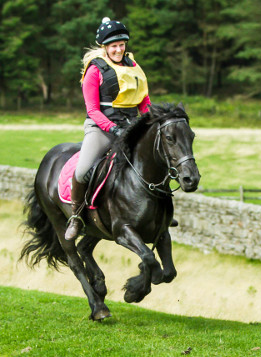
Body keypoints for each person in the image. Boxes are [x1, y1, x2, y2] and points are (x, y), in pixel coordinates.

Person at [65, 17, 151, 241]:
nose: (119, 49)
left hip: (131, 126)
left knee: (155, 158)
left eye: (122, 45)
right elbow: (93, 110)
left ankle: (157, 210)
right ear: (105, 47)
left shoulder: (133, 67)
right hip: (102, 129)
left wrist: (152, 119)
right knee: (83, 170)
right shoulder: (94, 71)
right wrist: (113, 129)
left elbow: (143, 100)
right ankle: (76, 217)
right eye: (114, 46)